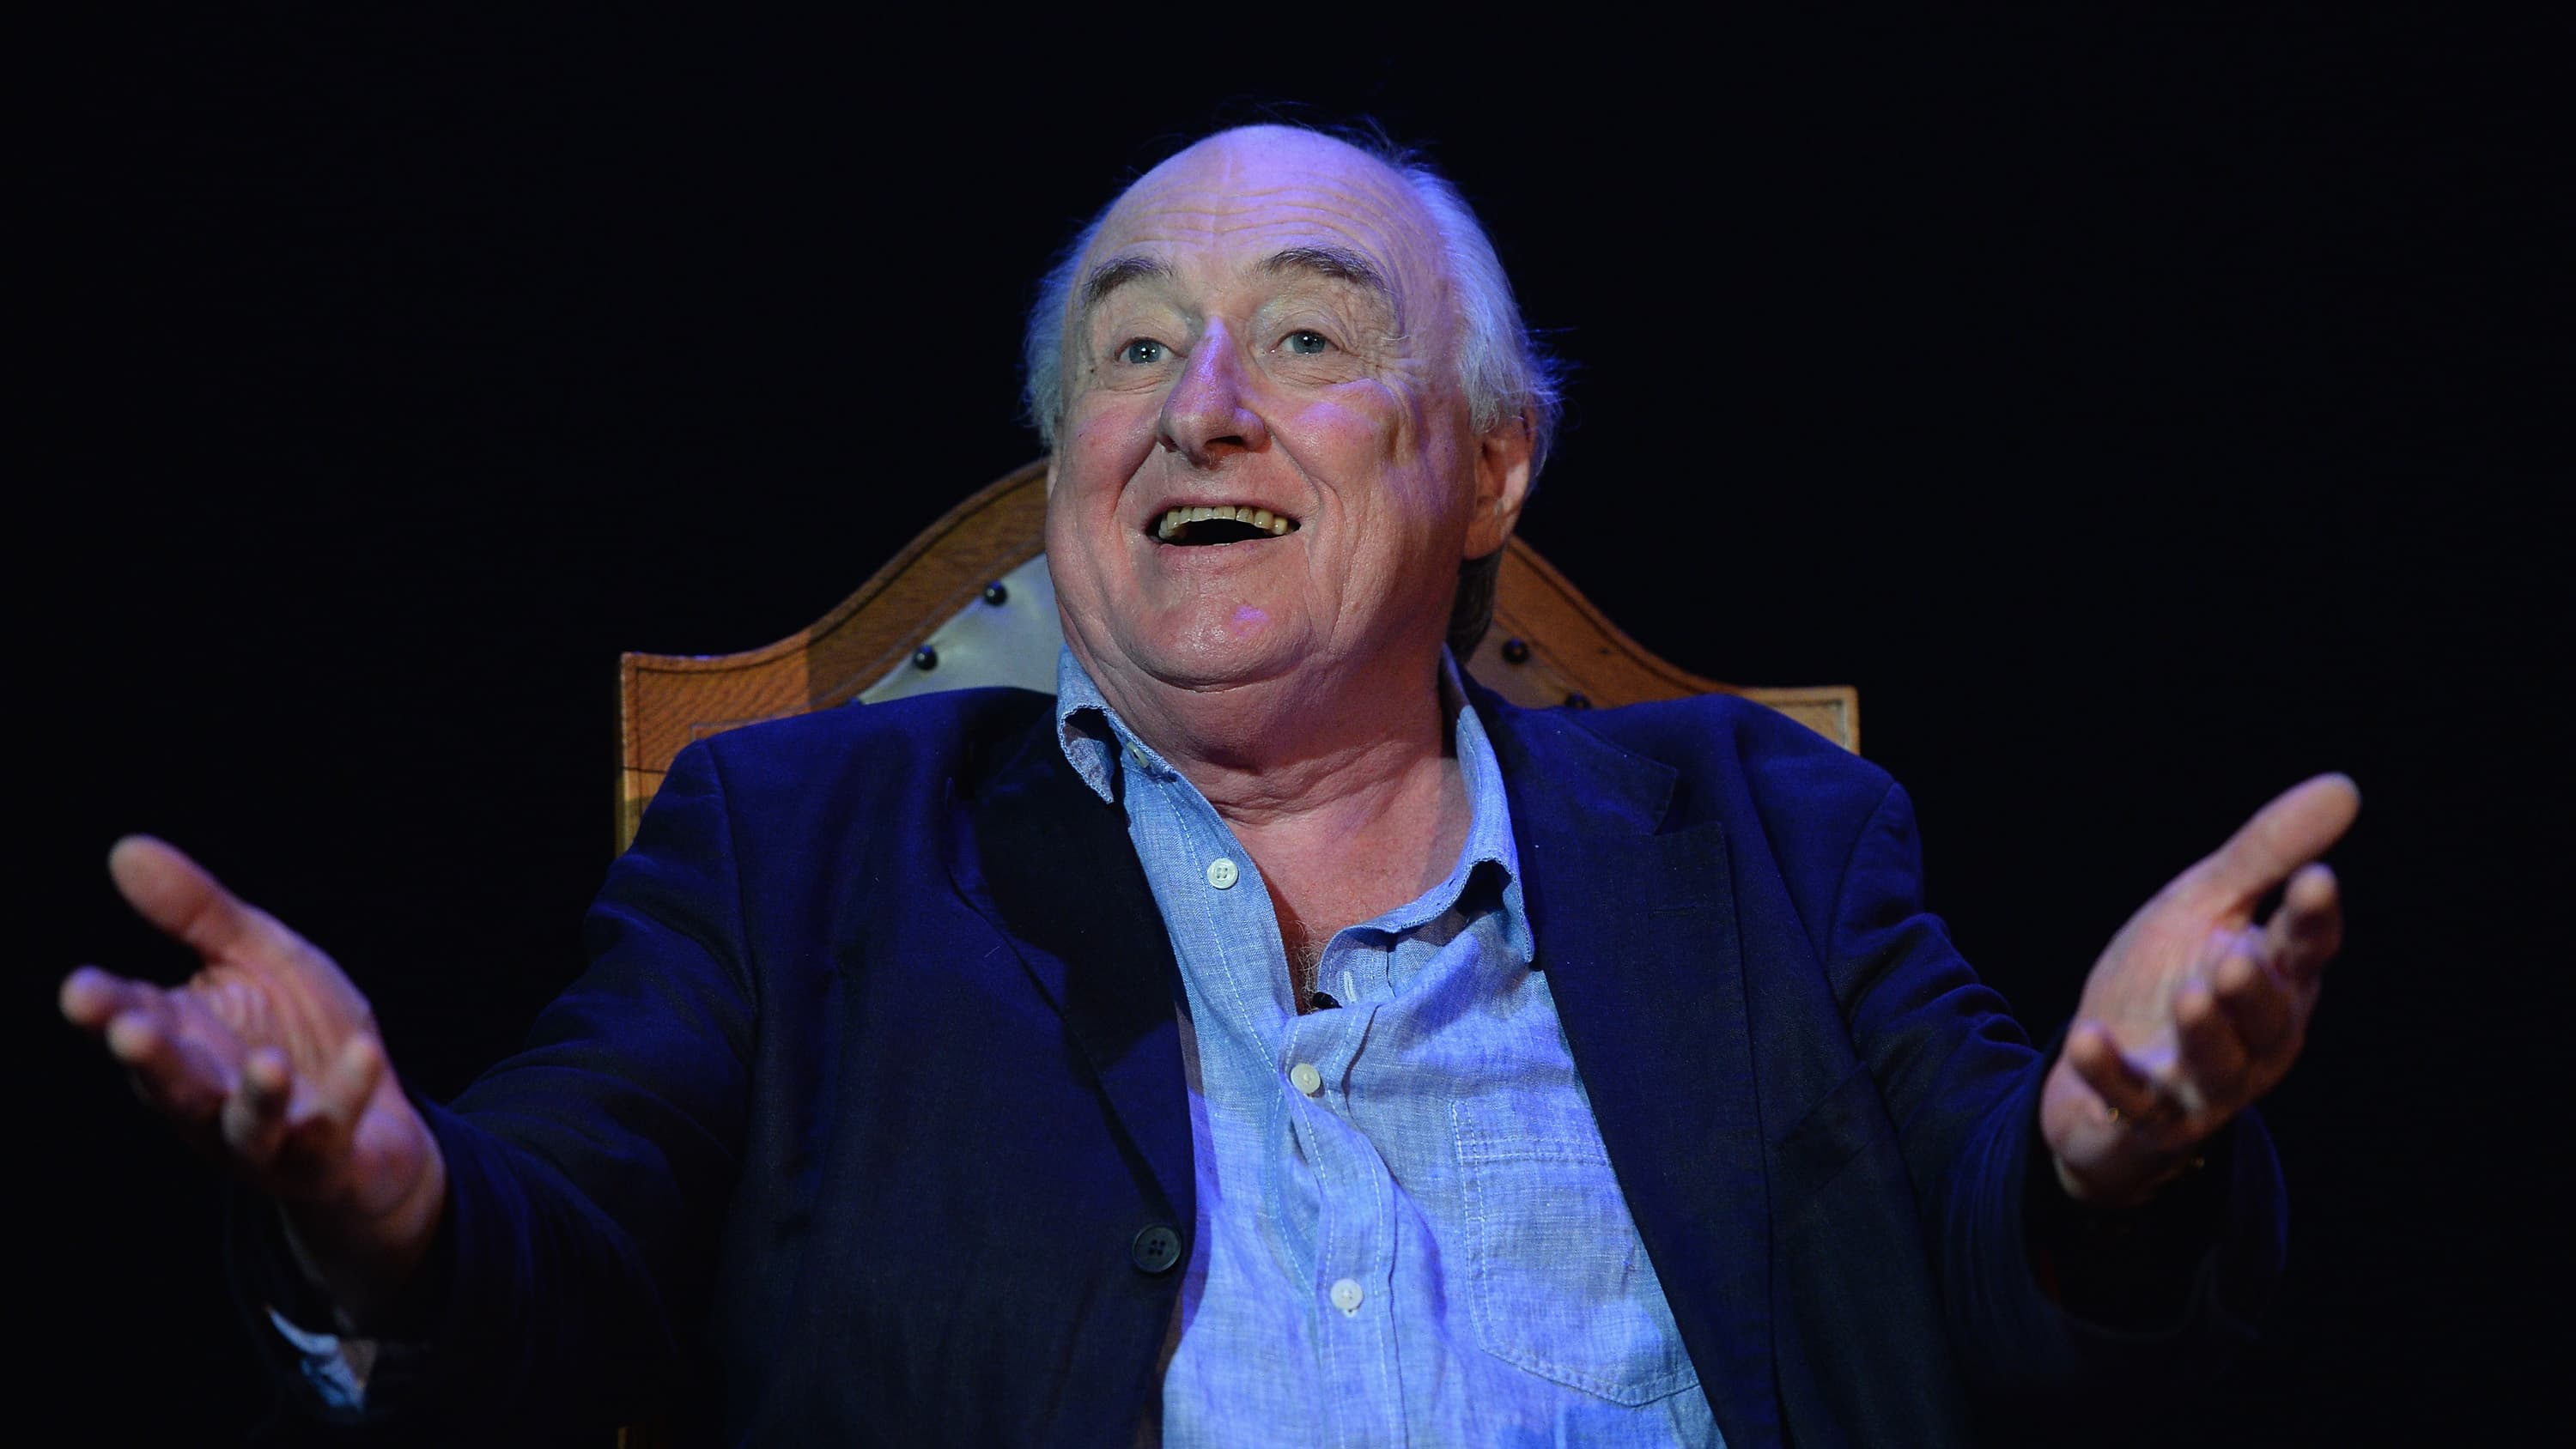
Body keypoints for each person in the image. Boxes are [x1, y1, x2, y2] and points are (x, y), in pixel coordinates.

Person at [60, 123, 2357, 1446]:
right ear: (1070, 463)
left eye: (1315, 341)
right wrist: (380, 1196)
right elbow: (550, 1266)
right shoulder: (802, 854)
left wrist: (2104, 1159)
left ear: (1485, 466)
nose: (1204, 402)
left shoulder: (1759, 834)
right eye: (1135, 345)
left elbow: (2011, 1292)